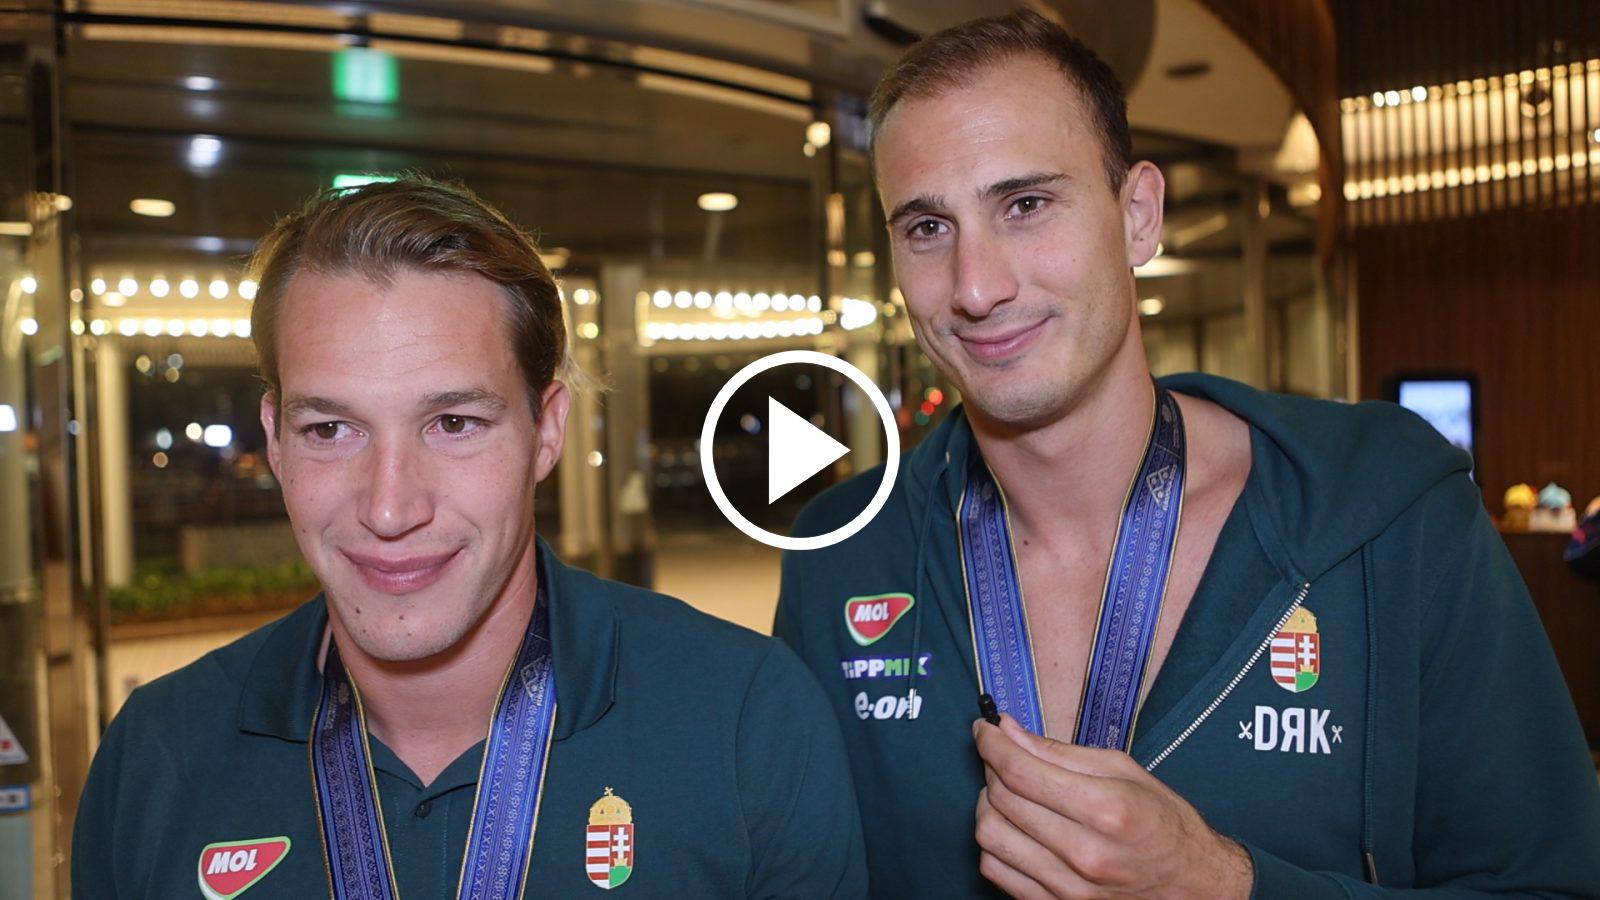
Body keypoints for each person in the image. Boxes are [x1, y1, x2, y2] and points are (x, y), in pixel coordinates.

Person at [773, 10, 1600, 898]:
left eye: (1026, 205)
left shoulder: (1391, 516)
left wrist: (1218, 884)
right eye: (928, 228)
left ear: (1138, 216)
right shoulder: (842, 556)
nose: (976, 287)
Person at [74, 178, 867, 898]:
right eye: (331, 429)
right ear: (275, 441)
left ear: (546, 431)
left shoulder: (747, 722)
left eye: (453, 423)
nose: (390, 508)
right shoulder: (156, 758)